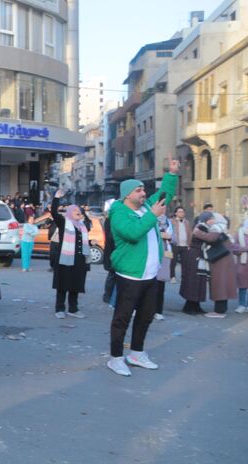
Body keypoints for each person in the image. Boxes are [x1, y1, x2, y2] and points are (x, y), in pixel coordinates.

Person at [106, 158, 179, 377]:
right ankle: (116, 358)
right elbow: (132, 233)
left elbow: (164, 196)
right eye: (138, 190)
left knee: (146, 316)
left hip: (150, 275)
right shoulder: (119, 213)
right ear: (127, 194)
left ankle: (136, 353)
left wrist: (171, 174)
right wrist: (152, 216)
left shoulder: (146, 207)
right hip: (129, 275)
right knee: (122, 318)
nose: (143, 193)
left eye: (143, 190)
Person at [50, 189, 92, 319]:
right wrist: (56, 198)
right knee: (62, 285)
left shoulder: (82, 226)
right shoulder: (63, 223)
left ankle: (73, 309)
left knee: (75, 285)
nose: (77, 212)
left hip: (79, 260)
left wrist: (90, 242)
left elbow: (80, 242)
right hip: (65, 258)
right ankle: (59, 308)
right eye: (74, 210)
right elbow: (53, 213)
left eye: (78, 210)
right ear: (69, 212)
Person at [179, 211, 215, 315]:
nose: (213, 220)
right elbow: (210, 239)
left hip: (199, 256)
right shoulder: (202, 227)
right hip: (195, 256)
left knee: (200, 281)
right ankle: (188, 306)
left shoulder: (203, 227)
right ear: (206, 219)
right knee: (193, 281)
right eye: (211, 218)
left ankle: (196, 305)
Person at [203, 213, 237, 318]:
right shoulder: (224, 231)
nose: (212, 220)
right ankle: (221, 309)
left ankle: (219, 311)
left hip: (220, 262)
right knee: (223, 285)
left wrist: (198, 232)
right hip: (225, 262)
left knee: (220, 285)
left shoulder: (217, 230)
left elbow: (209, 239)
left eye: (213, 218)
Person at [154, 213, 175, 321]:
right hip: (152, 255)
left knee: (160, 284)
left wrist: (164, 234)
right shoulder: (150, 220)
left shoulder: (168, 222)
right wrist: (163, 234)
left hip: (165, 255)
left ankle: (158, 311)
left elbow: (171, 236)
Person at [169, 206, 191, 283]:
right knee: (173, 262)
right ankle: (172, 277)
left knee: (185, 263)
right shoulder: (172, 221)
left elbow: (189, 233)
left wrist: (189, 244)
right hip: (175, 244)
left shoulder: (187, 222)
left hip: (185, 245)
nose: (181, 213)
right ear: (176, 213)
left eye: (183, 212)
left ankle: (184, 278)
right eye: (180, 212)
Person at [102, 199, 117, 304]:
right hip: (112, 251)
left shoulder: (111, 219)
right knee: (112, 275)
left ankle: (110, 295)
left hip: (114, 250)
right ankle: (107, 295)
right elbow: (111, 237)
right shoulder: (110, 220)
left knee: (114, 275)